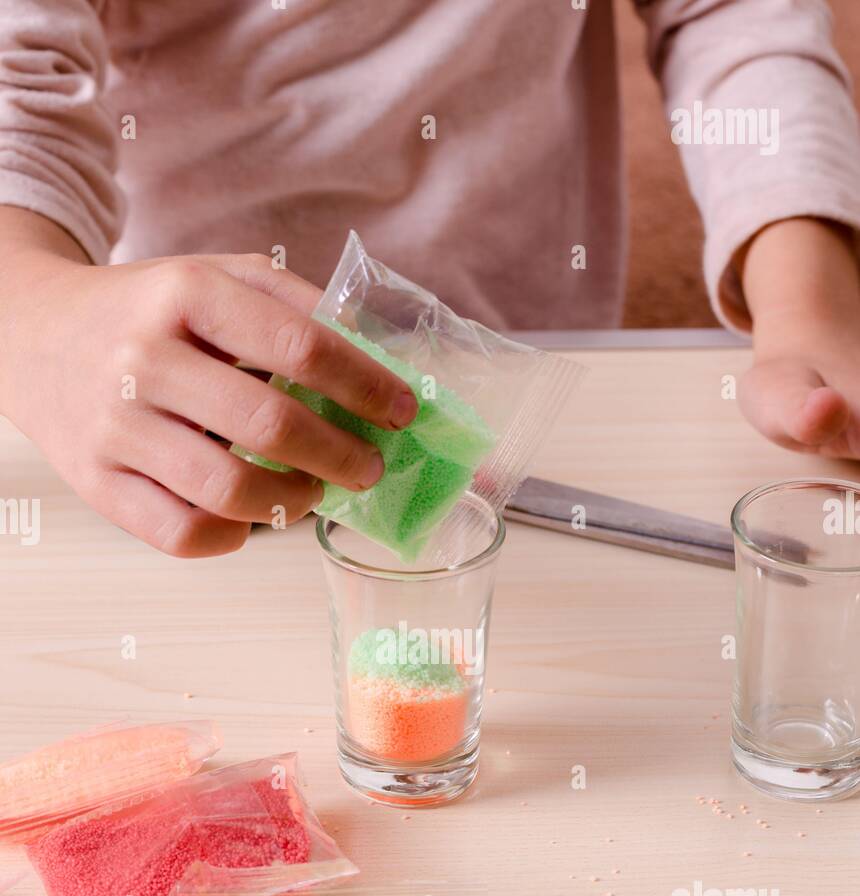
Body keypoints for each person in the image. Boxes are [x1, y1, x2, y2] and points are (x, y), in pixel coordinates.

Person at [1, 0, 859, 556]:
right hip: (180, 406)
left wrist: (806, 295)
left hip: (534, 360)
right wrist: (35, 315)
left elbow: (733, 17)